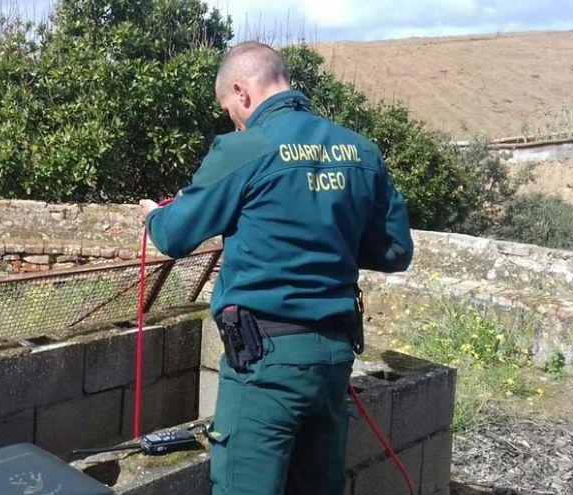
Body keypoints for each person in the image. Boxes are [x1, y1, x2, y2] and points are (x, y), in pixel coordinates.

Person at [140, 41, 413, 495]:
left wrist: (152, 215)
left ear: (241, 91)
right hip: (333, 358)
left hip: (264, 362)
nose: (234, 117)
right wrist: (328, 236)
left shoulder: (244, 148)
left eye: (230, 107)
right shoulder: (359, 150)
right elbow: (395, 251)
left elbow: (173, 236)